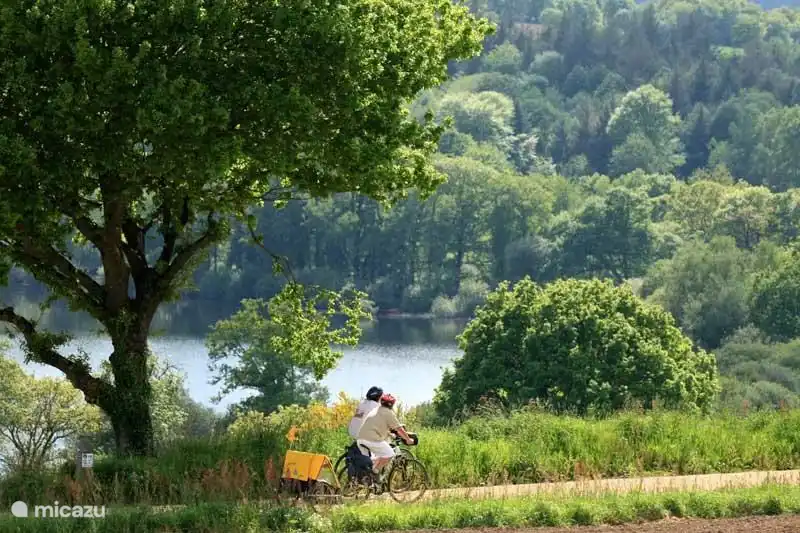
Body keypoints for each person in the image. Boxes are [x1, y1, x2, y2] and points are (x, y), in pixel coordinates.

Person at [356, 393, 414, 475]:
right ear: (392, 405)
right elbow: (399, 429)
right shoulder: (388, 413)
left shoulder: (375, 410)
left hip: (360, 439)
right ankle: (374, 472)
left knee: (374, 460)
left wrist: (389, 434)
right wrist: (408, 439)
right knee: (390, 454)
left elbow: (376, 426)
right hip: (371, 440)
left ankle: (367, 477)